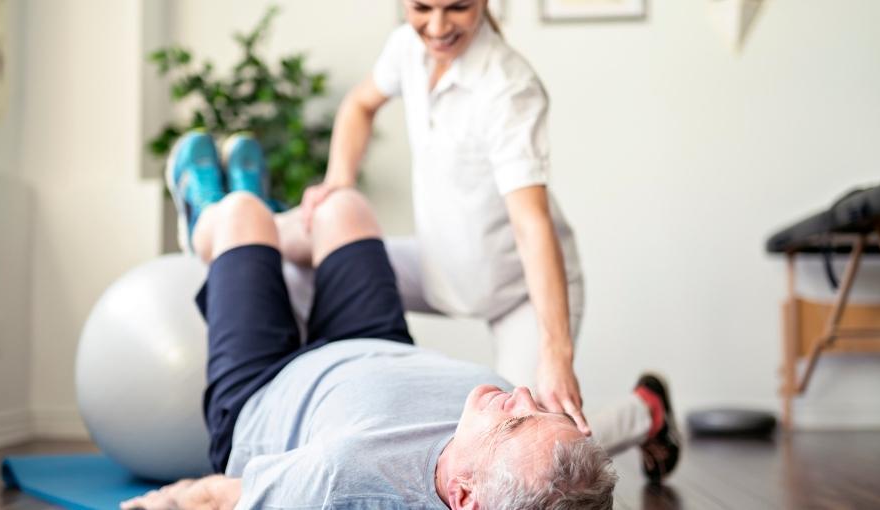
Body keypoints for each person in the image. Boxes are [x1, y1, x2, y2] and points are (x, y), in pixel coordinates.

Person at [126, 133, 680, 509]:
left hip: (266, 390)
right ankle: (265, 227)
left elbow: (217, 496)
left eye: (516, 420)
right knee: (345, 207)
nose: (524, 395)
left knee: (241, 213)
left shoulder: (346, 479)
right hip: (374, 343)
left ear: (463, 496)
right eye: (540, 410)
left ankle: (208, 213)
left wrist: (154, 502)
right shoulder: (515, 461)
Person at [292, 0, 590, 433]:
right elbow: (359, 104)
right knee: (318, 248)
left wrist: (557, 354)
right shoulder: (406, 49)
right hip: (439, 263)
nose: (436, 26)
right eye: (421, 7)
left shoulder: (509, 87)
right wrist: (338, 180)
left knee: (527, 439)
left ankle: (644, 413)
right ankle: (232, 223)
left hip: (522, 290)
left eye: (457, 7)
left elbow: (531, 225)